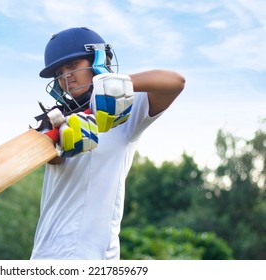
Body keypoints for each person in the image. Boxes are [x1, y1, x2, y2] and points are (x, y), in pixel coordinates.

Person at [30, 27, 185, 260]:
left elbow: (175, 82)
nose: (66, 77)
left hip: (95, 257)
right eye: (59, 72)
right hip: (44, 256)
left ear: (99, 60)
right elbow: (52, 156)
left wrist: (115, 84)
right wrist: (61, 141)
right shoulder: (54, 120)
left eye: (72, 65)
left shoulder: (125, 112)